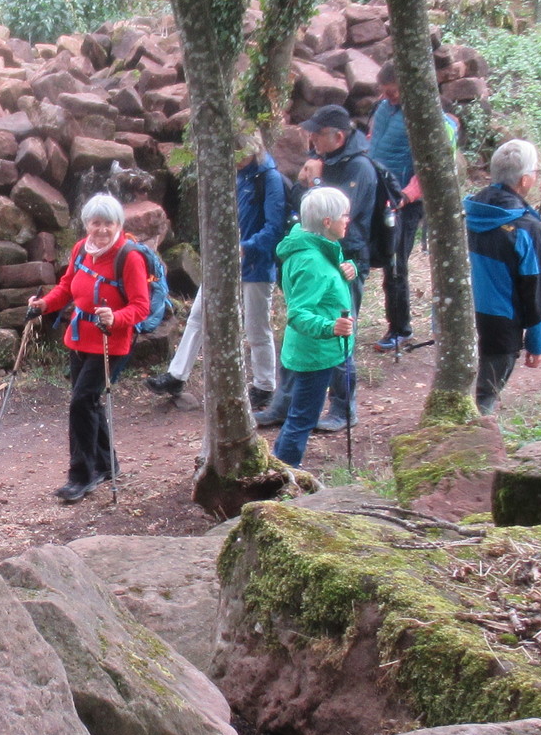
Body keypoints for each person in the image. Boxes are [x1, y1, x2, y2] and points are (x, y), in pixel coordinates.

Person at [148, 129, 288, 414]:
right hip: (223, 262)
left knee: (256, 327)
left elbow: (274, 228)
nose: (233, 160)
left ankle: (264, 386)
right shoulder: (237, 176)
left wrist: (246, 248)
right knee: (198, 316)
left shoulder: (269, 180)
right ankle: (176, 376)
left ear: (251, 150)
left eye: (237, 154)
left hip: (255, 266)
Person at [29, 193, 151, 503]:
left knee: (81, 402)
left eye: (109, 223)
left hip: (112, 342)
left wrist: (116, 318)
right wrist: (44, 305)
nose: (102, 230)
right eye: (96, 223)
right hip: (80, 338)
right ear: (86, 225)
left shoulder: (129, 257)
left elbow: (141, 306)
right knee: (89, 402)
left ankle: (82, 476)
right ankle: (107, 465)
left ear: (119, 224)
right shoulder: (81, 249)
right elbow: (67, 287)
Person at [295, 106, 377, 432]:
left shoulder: (359, 168)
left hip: (347, 262)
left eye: (317, 133)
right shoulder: (325, 161)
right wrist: (305, 181)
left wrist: (315, 180)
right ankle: (298, 404)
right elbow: (304, 211)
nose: (311, 139)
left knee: (342, 331)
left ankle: (344, 409)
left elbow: (339, 217)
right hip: (321, 259)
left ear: (338, 137)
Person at [270, 185, 358, 467]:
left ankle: (279, 466)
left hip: (320, 350)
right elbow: (298, 314)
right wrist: (330, 327)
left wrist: (349, 268)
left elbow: (330, 277)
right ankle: (284, 474)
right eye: (345, 215)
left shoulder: (315, 245)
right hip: (315, 352)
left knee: (300, 415)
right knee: (302, 418)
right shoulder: (312, 261)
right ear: (327, 222)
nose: (349, 220)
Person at [467, 141, 541, 414]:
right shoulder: (526, 228)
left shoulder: (466, 212)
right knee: (485, 399)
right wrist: (537, 343)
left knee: (461, 393)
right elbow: (535, 287)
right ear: (525, 179)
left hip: (462, 317)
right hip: (501, 325)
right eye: (535, 172)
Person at [368, 68, 427, 353]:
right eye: (383, 91)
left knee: (395, 266)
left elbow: (427, 167)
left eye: (391, 92)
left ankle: (400, 328)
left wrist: (406, 195)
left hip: (404, 203)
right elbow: (372, 141)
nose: (386, 97)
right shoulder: (382, 109)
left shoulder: (420, 116)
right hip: (378, 194)